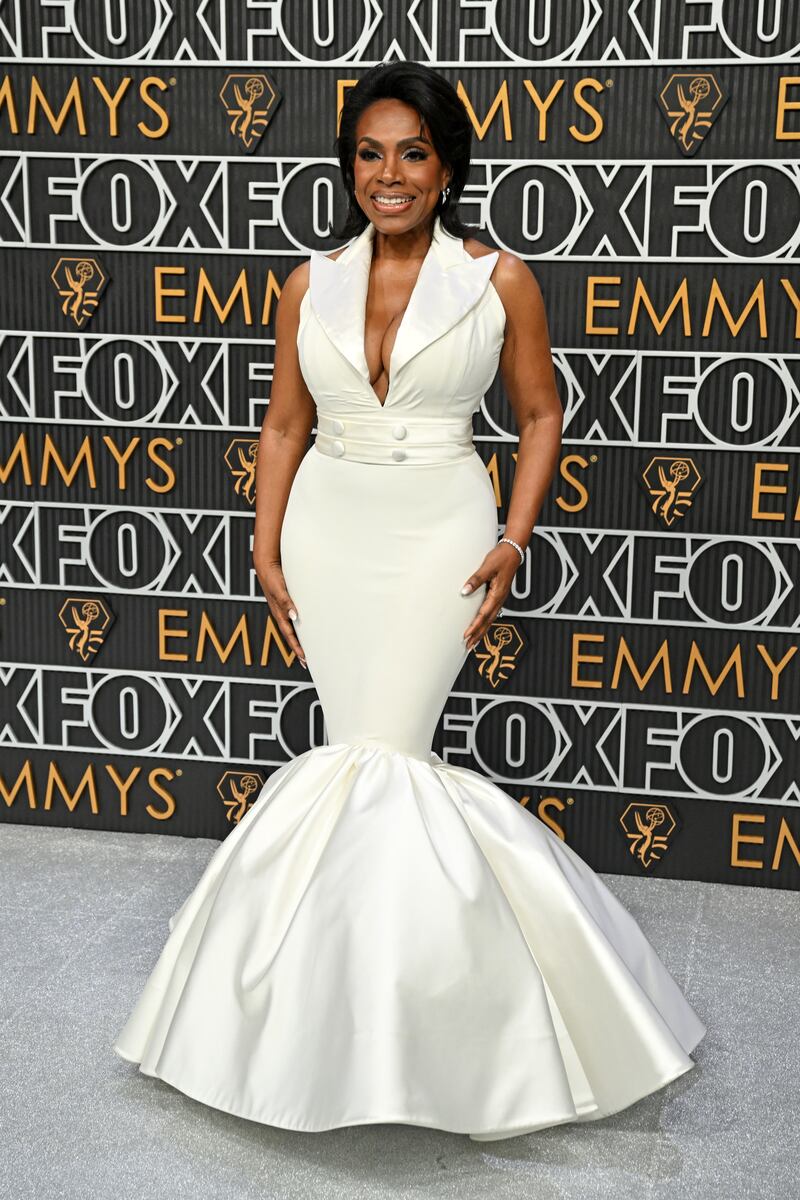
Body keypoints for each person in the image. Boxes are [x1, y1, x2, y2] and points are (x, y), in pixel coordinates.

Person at [112, 62, 706, 1140]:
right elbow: (286, 425)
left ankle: (436, 1032)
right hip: (329, 527)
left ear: (447, 168)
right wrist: (264, 543)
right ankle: (330, 1028)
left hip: (439, 524)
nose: (388, 175)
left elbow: (537, 414)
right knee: (355, 755)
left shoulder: (497, 280)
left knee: (389, 757)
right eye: (368, 154)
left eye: (412, 154)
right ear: (348, 169)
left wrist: (512, 540)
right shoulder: (310, 281)